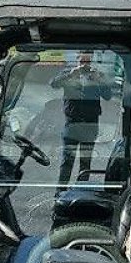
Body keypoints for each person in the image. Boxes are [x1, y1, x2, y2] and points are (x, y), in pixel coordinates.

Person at [50, 50, 112, 190]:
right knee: (67, 161)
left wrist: (99, 80)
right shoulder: (69, 73)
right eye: (82, 62)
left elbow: (108, 95)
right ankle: (60, 192)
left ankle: (81, 190)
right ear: (77, 60)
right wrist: (71, 74)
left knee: (85, 162)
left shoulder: (97, 75)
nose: (84, 65)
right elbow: (53, 84)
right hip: (72, 123)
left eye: (87, 62)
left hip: (90, 124)